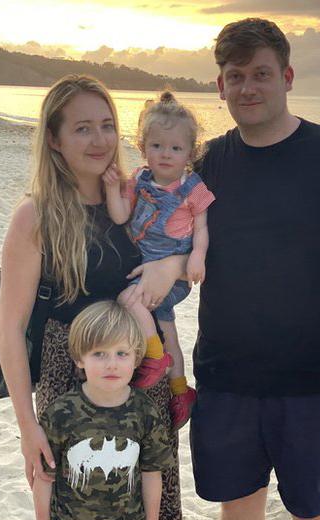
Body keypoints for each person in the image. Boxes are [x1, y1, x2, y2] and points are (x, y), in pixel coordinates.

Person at [189, 18, 320, 520]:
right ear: (220, 86)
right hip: (226, 379)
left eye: (261, 73)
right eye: (236, 76)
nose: (248, 87)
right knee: (237, 508)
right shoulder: (206, 164)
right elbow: (162, 249)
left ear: (287, 76)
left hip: (315, 385)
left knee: (315, 515)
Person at [0, 74, 184, 520]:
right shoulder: (37, 215)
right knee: (74, 519)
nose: (99, 139)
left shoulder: (136, 196)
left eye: (106, 125)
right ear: (54, 140)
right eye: (82, 128)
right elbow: (10, 326)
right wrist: (27, 427)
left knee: (150, 517)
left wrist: (174, 264)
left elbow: (177, 249)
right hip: (67, 377)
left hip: (141, 372)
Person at [101, 91, 215, 429]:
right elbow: (121, 216)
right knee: (168, 327)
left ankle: (154, 356)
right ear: (143, 146)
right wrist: (112, 188)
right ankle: (180, 390)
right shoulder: (139, 180)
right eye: (157, 146)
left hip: (174, 271)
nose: (166, 155)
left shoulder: (192, 187)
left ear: (190, 153)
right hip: (143, 263)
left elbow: (203, 227)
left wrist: (197, 256)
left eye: (176, 148)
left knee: (126, 299)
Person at [32, 300, 175, 520]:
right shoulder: (61, 414)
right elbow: (44, 478)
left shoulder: (145, 412)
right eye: (99, 354)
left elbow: (152, 474)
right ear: (79, 359)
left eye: (122, 354)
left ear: (136, 357)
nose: (112, 364)